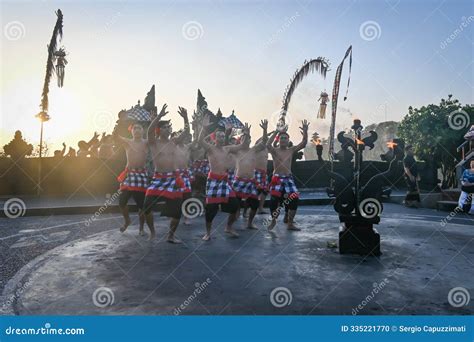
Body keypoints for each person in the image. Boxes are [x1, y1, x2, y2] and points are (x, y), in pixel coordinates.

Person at [198, 120, 250, 241]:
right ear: (215, 138)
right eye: (219, 136)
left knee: (235, 205)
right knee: (211, 209)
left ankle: (228, 227)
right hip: (213, 181)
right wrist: (203, 128)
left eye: (222, 136)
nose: (221, 138)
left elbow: (242, 146)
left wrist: (246, 134)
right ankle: (208, 233)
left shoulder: (228, 149)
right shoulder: (210, 148)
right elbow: (200, 141)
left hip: (224, 182)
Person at [143, 104, 186, 243]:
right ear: (159, 130)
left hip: (173, 179)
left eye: (169, 127)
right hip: (158, 179)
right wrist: (159, 117)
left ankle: (171, 236)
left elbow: (185, 133)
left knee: (177, 212)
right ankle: (153, 232)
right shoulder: (153, 143)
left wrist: (185, 119)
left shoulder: (174, 142)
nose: (169, 129)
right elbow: (149, 131)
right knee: (146, 207)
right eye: (165, 127)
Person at [266, 120, 309, 231]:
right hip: (277, 178)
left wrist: (305, 131)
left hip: (288, 179)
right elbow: (267, 144)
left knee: (294, 199)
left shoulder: (291, 150)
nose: (284, 140)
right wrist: (276, 131)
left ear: (288, 140)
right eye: (282, 138)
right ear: (279, 140)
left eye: (285, 138)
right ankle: (274, 221)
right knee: (274, 201)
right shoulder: (274, 151)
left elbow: (303, 143)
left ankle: (290, 223)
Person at [113, 123, 149, 236]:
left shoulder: (146, 142)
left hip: (141, 175)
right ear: (131, 131)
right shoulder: (127, 142)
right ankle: (127, 220)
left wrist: (154, 121)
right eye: (135, 128)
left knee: (141, 205)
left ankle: (141, 228)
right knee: (122, 202)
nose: (137, 130)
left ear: (143, 131)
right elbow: (116, 137)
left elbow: (153, 135)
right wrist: (116, 130)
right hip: (129, 175)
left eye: (139, 128)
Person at [232, 120, 268, 229]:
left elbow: (264, 141)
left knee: (254, 204)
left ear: (250, 140)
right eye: (243, 139)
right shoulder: (236, 151)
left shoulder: (254, 150)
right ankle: (230, 224)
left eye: (248, 139)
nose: (246, 141)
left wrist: (265, 130)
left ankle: (249, 223)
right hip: (239, 180)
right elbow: (225, 144)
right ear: (240, 141)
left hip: (251, 181)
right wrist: (244, 133)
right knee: (235, 204)